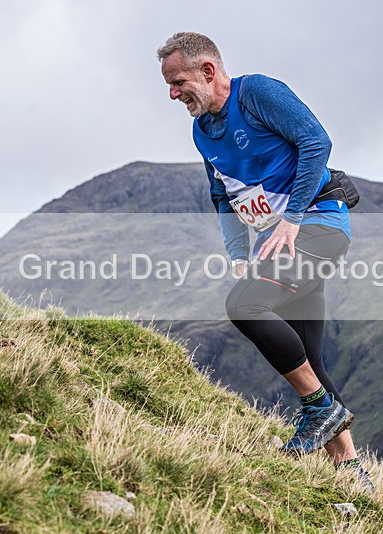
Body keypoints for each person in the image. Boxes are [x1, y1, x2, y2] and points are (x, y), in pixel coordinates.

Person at [157, 32, 372, 490]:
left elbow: (317, 142)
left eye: (178, 82)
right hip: (281, 243)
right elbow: (222, 197)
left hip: (318, 227)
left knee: (244, 306)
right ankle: (353, 473)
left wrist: (291, 219)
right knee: (310, 358)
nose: (172, 93)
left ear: (208, 72)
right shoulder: (202, 131)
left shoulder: (257, 94)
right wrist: (238, 256)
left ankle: (320, 410)